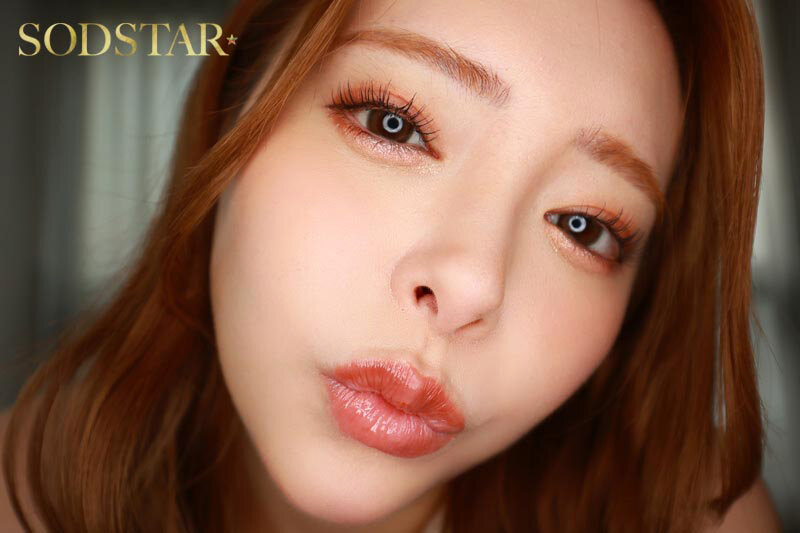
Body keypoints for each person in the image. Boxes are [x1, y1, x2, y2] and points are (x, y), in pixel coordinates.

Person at [1, 0, 784, 531]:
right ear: (233, 111)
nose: (470, 285)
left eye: (584, 226)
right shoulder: (20, 493)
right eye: (394, 124)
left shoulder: (689, 513)